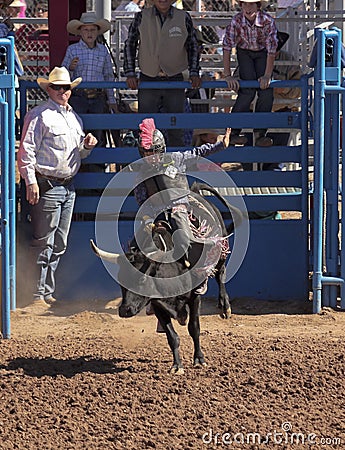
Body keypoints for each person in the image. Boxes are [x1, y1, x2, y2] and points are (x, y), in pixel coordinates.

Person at [17, 67, 98, 305]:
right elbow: (26, 151)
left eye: (66, 87)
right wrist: (31, 181)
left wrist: (87, 146)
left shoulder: (74, 118)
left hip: (66, 185)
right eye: (58, 87)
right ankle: (36, 293)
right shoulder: (40, 115)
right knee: (45, 240)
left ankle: (44, 291)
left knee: (58, 242)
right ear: (49, 89)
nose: (63, 91)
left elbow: (79, 155)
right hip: (48, 184)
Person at [132, 118, 230, 295]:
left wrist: (220, 145)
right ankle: (147, 289)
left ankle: (200, 274)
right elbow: (142, 200)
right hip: (156, 213)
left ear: (160, 149)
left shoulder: (176, 159)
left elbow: (198, 151)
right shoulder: (141, 173)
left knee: (184, 238)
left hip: (179, 206)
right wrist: (147, 218)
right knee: (138, 246)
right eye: (145, 153)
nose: (149, 157)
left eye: (152, 152)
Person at [123, 0, 201, 147]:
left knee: (176, 127)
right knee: (146, 128)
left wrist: (194, 72)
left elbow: (192, 45)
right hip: (148, 78)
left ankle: (175, 166)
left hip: (174, 77)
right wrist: (130, 73)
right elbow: (130, 44)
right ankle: (148, 166)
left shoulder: (184, 17)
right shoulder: (141, 17)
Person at [222, 0, 278, 147]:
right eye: (245, 4)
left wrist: (267, 75)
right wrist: (227, 75)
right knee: (247, 91)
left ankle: (260, 134)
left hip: (262, 53)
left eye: (251, 4)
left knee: (266, 91)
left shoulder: (267, 21)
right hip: (244, 52)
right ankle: (233, 133)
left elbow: (271, 49)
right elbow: (227, 46)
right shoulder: (236, 20)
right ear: (241, 5)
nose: (248, 8)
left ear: (258, 6)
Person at [62, 12, 116, 148]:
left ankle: (97, 167)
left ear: (98, 32)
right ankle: (81, 167)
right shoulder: (72, 50)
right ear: (80, 32)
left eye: (93, 29)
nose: (89, 33)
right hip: (78, 97)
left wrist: (112, 100)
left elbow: (108, 75)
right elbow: (62, 75)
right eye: (86, 29)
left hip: (98, 97)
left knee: (97, 133)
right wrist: (71, 68)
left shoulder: (103, 51)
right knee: (77, 131)